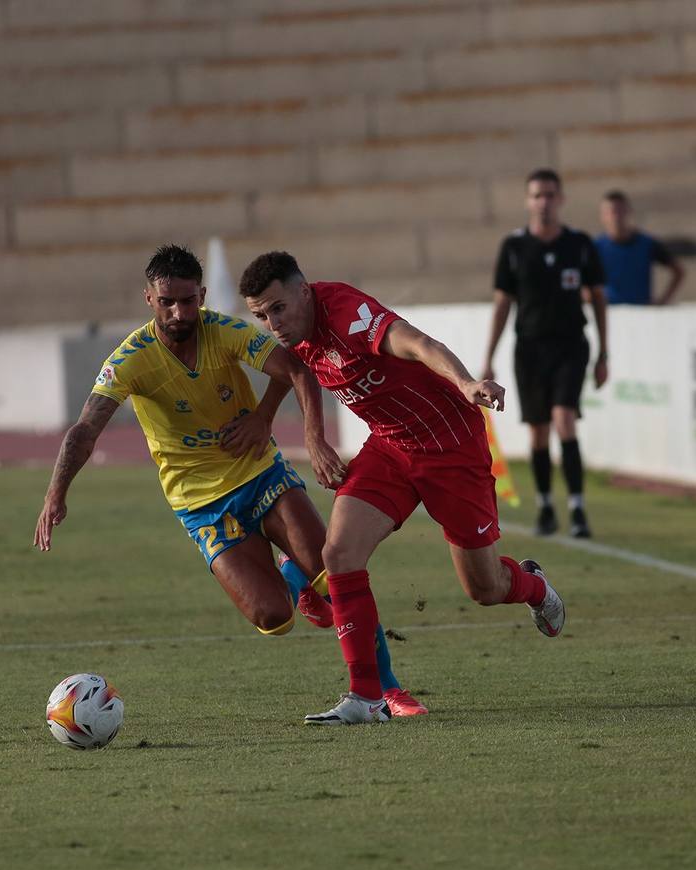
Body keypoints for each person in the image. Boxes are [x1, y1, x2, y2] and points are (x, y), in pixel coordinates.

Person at [33, 244, 427, 717]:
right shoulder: (131, 359)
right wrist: (57, 492)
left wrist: (270, 422)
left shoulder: (224, 332)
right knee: (273, 617)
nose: (180, 313)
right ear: (149, 300)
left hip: (260, 473)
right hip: (200, 504)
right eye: (167, 302)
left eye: (188, 300)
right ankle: (290, 576)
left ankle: (387, 691)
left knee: (334, 575)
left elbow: (294, 369)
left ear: (201, 294)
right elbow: (85, 428)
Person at [240, 251, 567, 726]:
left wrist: (465, 381)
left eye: (277, 308)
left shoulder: (348, 315)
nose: (272, 323)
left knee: (484, 587)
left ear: (303, 291)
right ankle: (366, 697)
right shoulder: (297, 334)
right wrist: (314, 438)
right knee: (339, 555)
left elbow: (417, 343)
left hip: (451, 448)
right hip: (391, 449)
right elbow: (298, 372)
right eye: (261, 315)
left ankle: (534, 587)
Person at [482, 168, 608, 540]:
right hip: (530, 350)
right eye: (537, 195)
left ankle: (578, 508)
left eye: (550, 195)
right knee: (538, 433)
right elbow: (503, 303)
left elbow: (598, 299)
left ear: (561, 199)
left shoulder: (580, 244)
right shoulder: (515, 247)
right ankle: (546, 505)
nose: (544, 202)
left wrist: (604, 354)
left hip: (571, 345)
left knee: (564, 418)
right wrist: (489, 355)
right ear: (528, 201)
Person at [595, 189, 684, 307]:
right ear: (603, 215)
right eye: (612, 211)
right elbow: (581, 277)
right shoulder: (596, 246)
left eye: (620, 210)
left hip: (641, 312)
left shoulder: (647, 244)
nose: (616, 216)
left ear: (629, 211)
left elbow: (678, 271)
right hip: (611, 311)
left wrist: (663, 300)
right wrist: (591, 298)